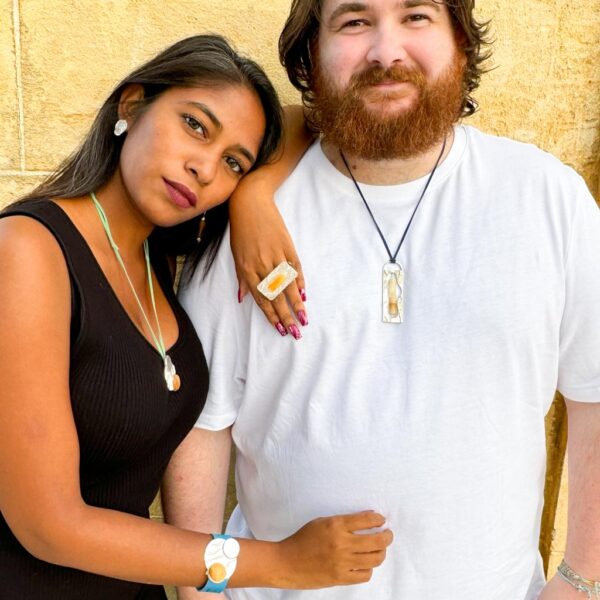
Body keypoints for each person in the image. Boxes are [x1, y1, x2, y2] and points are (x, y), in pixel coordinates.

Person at [177, 2, 600, 599]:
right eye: (353, 22)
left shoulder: (547, 198)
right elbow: (203, 423)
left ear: (460, 40)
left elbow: (595, 394)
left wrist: (581, 579)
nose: (386, 51)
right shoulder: (245, 228)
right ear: (310, 54)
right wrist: (203, 594)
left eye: (417, 17)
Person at [0, 34, 394, 599]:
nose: (204, 168)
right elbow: (49, 524)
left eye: (233, 162)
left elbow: (316, 119)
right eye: (195, 126)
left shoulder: (157, 270)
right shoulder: (29, 250)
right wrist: (278, 563)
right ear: (131, 105)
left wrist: (254, 197)